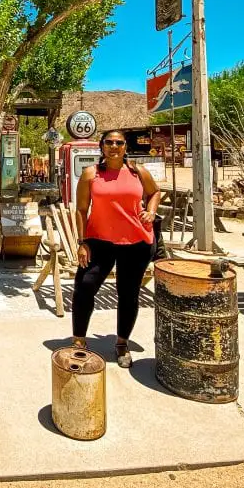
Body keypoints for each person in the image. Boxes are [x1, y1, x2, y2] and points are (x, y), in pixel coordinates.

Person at [71, 129, 161, 368]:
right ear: (101, 147)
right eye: (109, 142)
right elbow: (81, 210)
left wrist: (151, 211)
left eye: (119, 143)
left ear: (125, 147)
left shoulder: (137, 172)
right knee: (84, 286)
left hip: (136, 242)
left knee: (128, 294)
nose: (114, 146)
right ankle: (79, 341)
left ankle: (122, 344)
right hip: (99, 241)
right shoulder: (91, 174)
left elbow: (155, 193)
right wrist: (82, 243)